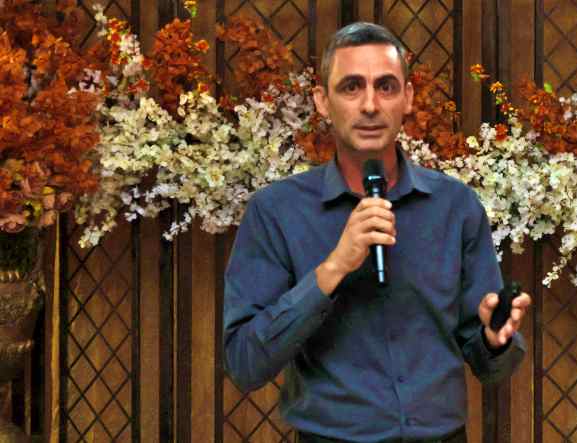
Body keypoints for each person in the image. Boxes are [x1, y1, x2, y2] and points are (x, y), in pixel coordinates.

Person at [223, 22, 531, 443]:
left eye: (385, 87)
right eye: (351, 87)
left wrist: (495, 340)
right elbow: (244, 363)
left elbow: (489, 363)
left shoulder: (455, 206)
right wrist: (333, 269)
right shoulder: (276, 211)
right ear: (322, 101)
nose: (370, 105)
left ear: (407, 98)